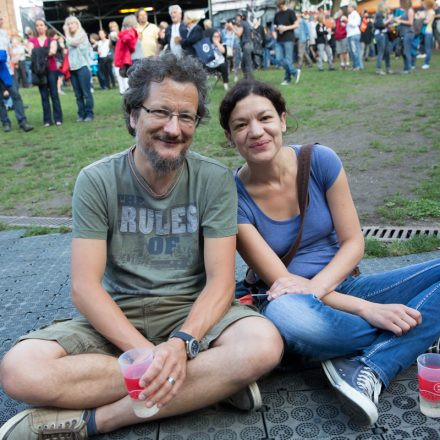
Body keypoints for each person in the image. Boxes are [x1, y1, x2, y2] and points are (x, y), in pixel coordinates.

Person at [0, 53, 283, 440]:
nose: (173, 128)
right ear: (134, 115)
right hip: (118, 318)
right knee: (20, 370)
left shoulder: (214, 180)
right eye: (160, 112)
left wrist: (182, 344)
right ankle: (210, 386)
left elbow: (220, 284)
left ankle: (96, 421)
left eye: (186, 116)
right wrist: (149, 355)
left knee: (263, 344)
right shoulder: (97, 180)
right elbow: (85, 289)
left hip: (191, 315)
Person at [218, 79, 440, 426]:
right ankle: (418, 329)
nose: (256, 131)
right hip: (291, 301)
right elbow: (285, 283)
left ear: (283, 120)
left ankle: (366, 361)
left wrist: (352, 298)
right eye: (241, 125)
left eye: (265, 118)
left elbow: (354, 243)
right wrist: (371, 311)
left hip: (345, 286)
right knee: (290, 317)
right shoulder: (232, 198)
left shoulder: (320, 160)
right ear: (230, 137)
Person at [0, 14, 33, 132]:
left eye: (1, 18)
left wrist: (12, 60)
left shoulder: (4, 34)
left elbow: (9, 50)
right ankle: (5, 123)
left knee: (16, 95)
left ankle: (22, 121)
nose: (0, 21)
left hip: (7, 71)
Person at [29, 19, 63, 126]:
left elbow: (53, 52)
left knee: (54, 94)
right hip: (39, 71)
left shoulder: (51, 40)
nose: (39, 27)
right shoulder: (32, 41)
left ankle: (58, 118)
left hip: (52, 69)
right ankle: (47, 120)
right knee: (44, 95)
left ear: (45, 27)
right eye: (37, 25)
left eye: (41, 25)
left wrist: (38, 52)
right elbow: (31, 53)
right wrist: (45, 52)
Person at [64, 16, 94, 122]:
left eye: (72, 23)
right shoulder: (68, 38)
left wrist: (66, 34)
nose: (70, 26)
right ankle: (81, 114)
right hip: (72, 69)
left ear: (77, 24)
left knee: (86, 93)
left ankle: (89, 114)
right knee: (78, 94)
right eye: (68, 24)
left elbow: (74, 43)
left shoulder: (82, 35)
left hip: (83, 67)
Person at [273, 0, 300, 85]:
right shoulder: (277, 14)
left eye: (280, 6)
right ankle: (295, 72)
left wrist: (286, 28)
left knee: (288, 60)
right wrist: (276, 28)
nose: (279, 8)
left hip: (289, 39)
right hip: (279, 39)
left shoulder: (290, 12)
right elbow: (275, 26)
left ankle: (287, 79)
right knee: (278, 59)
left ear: (284, 4)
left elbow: (296, 25)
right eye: (278, 7)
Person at [113, 14, 140, 94]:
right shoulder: (131, 32)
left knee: (132, 83)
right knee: (137, 83)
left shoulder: (123, 33)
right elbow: (129, 41)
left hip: (128, 61)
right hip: (134, 60)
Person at [394, 0, 415, 73]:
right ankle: (406, 68)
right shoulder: (405, 11)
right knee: (403, 51)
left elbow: (410, 22)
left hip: (408, 33)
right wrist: (396, 19)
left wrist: (400, 21)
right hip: (403, 33)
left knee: (406, 51)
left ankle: (408, 68)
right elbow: (399, 18)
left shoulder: (410, 11)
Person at [233, 14, 254, 80]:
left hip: (246, 45)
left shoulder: (242, 23)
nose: (236, 18)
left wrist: (232, 27)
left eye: (238, 17)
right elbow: (252, 35)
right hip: (249, 44)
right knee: (243, 64)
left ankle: (249, 79)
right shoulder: (247, 23)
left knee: (247, 64)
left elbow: (239, 34)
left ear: (241, 17)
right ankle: (246, 78)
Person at [374, 1, 393, 75]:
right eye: (387, 4)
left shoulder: (384, 14)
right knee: (381, 52)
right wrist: (389, 20)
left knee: (387, 52)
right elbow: (380, 25)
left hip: (385, 34)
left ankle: (388, 68)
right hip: (380, 34)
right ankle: (378, 69)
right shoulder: (379, 14)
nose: (388, 5)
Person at [347, 2, 363, 70]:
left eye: (349, 7)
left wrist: (347, 21)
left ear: (352, 7)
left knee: (355, 50)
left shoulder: (356, 14)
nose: (348, 8)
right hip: (350, 34)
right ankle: (355, 65)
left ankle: (358, 66)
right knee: (352, 51)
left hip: (354, 34)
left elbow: (355, 24)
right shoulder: (350, 15)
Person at [421, 0, 436, 69]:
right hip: (425, 31)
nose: (422, 5)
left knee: (428, 48)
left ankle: (427, 63)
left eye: (424, 4)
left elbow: (427, 21)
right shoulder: (426, 12)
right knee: (426, 47)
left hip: (428, 31)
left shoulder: (431, 12)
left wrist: (421, 19)